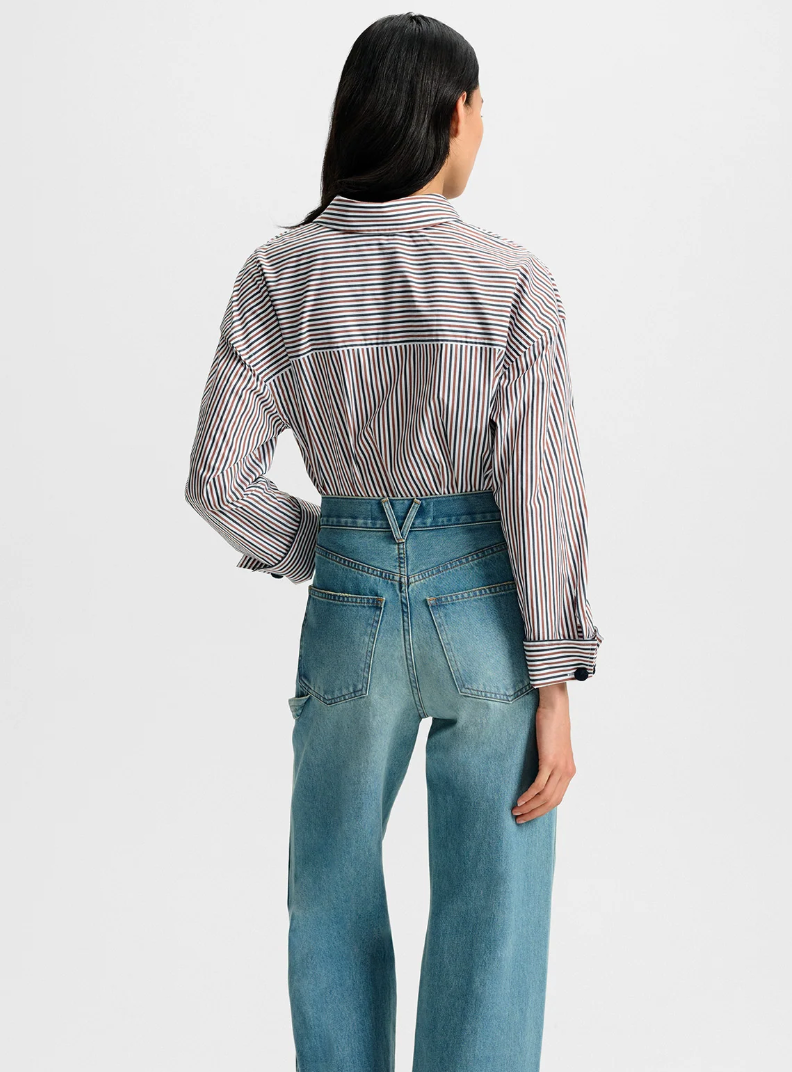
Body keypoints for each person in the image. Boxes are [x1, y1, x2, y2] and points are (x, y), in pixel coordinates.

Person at [184, 12, 603, 1072]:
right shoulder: (515, 283)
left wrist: (330, 547)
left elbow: (218, 481)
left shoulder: (278, 273)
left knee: (327, 892)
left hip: (350, 603)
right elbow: (544, 499)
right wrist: (556, 683)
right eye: (478, 110)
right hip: (485, 607)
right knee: (492, 909)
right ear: (451, 115)